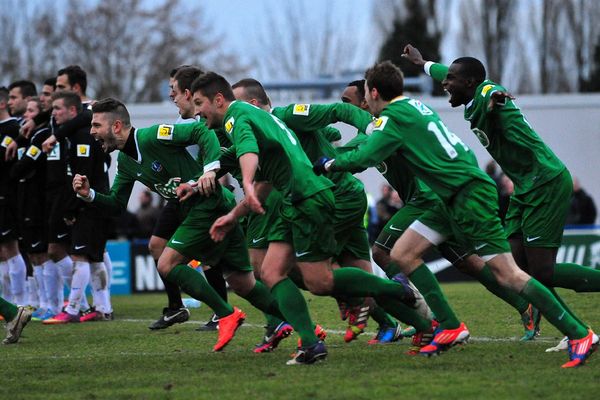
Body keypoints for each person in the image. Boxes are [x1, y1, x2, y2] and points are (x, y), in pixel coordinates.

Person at [315, 60, 597, 368]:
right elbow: (448, 78)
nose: (362, 104)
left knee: (509, 273)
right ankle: (450, 326)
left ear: (373, 92)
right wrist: (424, 63)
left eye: (363, 97)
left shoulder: (391, 119)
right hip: (447, 196)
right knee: (403, 253)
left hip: (468, 194)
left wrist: (328, 164)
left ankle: (579, 333)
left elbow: (366, 155)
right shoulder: (411, 106)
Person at [192, 72, 422, 365]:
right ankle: (316, 340)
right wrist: (233, 212)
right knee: (276, 272)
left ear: (221, 100)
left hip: (316, 196)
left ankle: (390, 298)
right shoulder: (260, 121)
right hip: (302, 197)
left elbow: (249, 153)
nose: (196, 111)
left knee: (319, 277)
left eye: (197, 102)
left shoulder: (240, 116)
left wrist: (372, 129)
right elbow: (263, 174)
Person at [403, 44, 600, 345]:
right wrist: (422, 62)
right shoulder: (466, 91)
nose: (445, 84)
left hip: (544, 182)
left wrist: (496, 94)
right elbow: (445, 71)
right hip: (525, 187)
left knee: (542, 270)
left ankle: (577, 333)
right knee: (516, 269)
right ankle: (570, 330)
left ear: (469, 84)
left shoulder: (484, 95)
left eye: (452, 80)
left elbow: (489, 89)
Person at [73, 97, 287, 352]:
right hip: (203, 210)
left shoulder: (154, 136)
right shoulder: (127, 163)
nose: (92, 131)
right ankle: (296, 323)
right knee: (242, 282)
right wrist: (90, 195)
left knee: (167, 263)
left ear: (116, 126)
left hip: (207, 204)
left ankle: (226, 314)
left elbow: (199, 131)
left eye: (96, 125)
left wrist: (210, 170)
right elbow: (118, 205)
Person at [43, 91, 112, 324]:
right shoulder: (76, 133)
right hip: (95, 200)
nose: (53, 113)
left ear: (73, 110)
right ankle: (103, 308)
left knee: (80, 255)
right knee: (94, 257)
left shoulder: (83, 135)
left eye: (57, 108)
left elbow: (83, 174)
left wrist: (72, 208)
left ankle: (73, 309)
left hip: (90, 202)